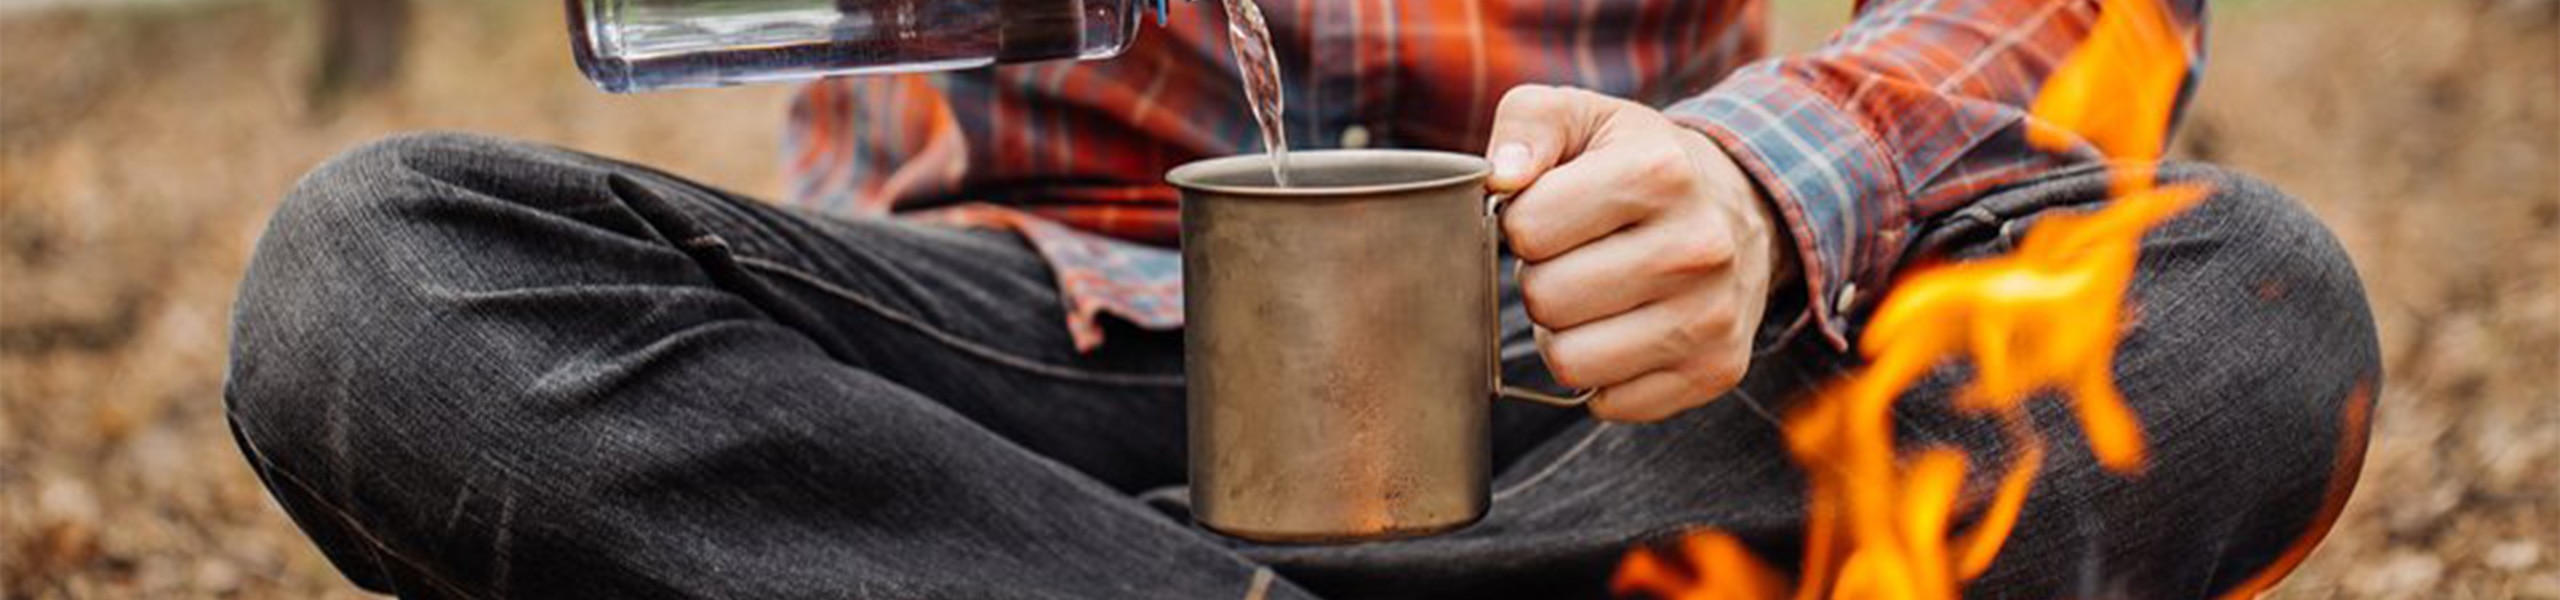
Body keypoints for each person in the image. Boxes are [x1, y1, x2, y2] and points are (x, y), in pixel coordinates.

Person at [223, 0, 2381, 598]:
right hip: (988, 366)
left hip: (1577, 377)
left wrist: (1755, 172)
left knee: (2237, 305)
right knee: (369, 285)